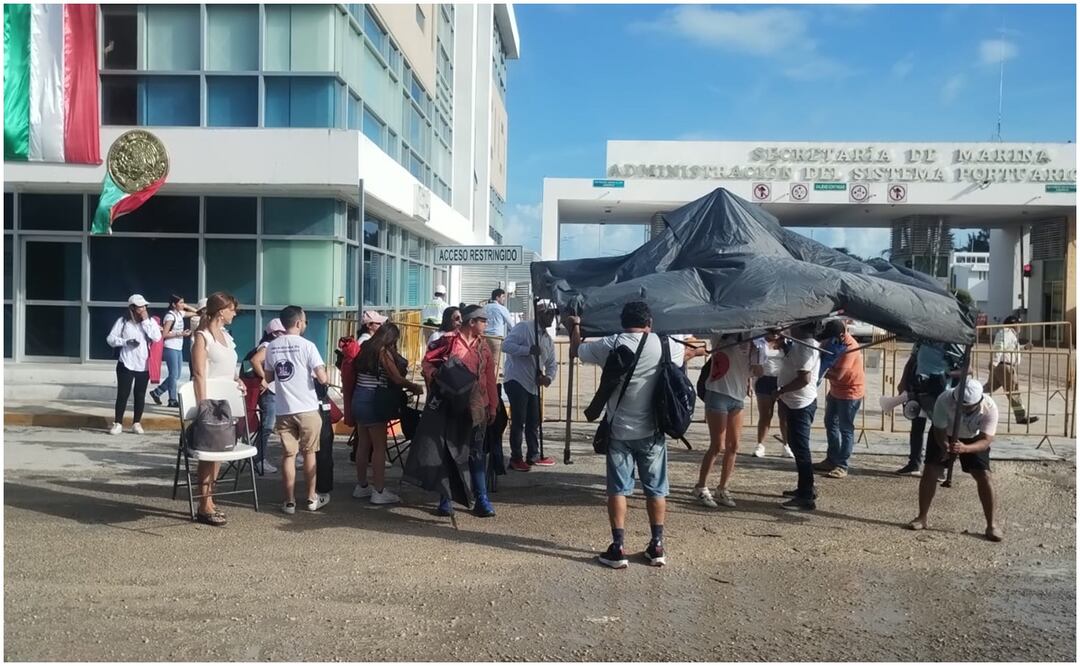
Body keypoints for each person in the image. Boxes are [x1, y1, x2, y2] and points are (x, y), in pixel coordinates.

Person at [567, 301, 685, 569]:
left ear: (622, 321)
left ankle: (618, 547)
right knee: (655, 489)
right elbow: (691, 351)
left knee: (618, 489)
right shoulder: (665, 345)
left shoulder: (610, 342)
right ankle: (657, 545)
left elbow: (576, 350)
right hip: (653, 431)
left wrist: (575, 325)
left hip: (618, 430)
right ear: (650, 322)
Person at [418, 304, 499, 517]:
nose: (486, 323)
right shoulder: (447, 341)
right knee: (449, 452)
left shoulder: (484, 346)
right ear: (471, 322)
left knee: (476, 454)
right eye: (483, 320)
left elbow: (490, 376)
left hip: (477, 406)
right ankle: (446, 499)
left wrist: (493, 405)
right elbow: (427, 364)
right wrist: (439, 376)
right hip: (451, 405)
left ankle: (482, 499)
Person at [907, 378, 1003, 542]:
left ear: (977, 402)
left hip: (974, 439)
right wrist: (945, 447)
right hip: (945, 434)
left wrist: (965, 449)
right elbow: (939, 429)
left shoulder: (990, 408)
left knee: (984, 476)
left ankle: (992, 525)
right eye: (960, 406)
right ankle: (921, 517)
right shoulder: (944, 399)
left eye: (967, 407)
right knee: (930, 470)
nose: (963, 409)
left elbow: (986, 440)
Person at [264, 305, 331, 515]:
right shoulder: (308, 346)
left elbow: (268, 378)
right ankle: (311, 498)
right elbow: (323, 378)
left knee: (288, 455)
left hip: (284, 408)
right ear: (299, 323)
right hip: (308, 407)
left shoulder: (272, 347)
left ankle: (289, 500)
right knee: (310, 452)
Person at [189, 292, 246, 526]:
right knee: (209, 454)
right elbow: (199, 374)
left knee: (220, 453)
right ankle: (204, 504)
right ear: (222, 311)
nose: (234, 313)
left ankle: (210, 499)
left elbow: (230, 366)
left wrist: (237, 380)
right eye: (232, 309)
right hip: (211, 403)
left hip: (227, 402)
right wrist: (204, 406)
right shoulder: (203, 337)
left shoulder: (226, 337)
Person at [351, 323, 424, 505]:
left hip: (358, 397)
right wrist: (414, 387)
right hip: (374, 400)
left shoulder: (365, 347)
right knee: (379, 447)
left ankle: (361, 486)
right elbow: (396, 378)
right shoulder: (382, 351)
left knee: (363, 445)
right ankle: (379, 491)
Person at [692, 333, 751, 508]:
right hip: (718, 393)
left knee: (734, 445)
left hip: (738, 396)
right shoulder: (720, 335)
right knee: (718, 445)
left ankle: (723, 488)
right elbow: (700, 332)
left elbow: (758, 366)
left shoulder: (754, 336)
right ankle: (701, 486)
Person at [500, 301, 558, 471]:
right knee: (519, 421)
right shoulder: (524, 328)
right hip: (517, 380)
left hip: (532, 384)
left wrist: (548, 378)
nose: (552, 318)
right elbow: (506, 345)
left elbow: (552, 363)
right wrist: (527, 350)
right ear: (540, 314)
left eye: (553, 315)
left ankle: (533, 454)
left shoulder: (547, 339)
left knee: (534, 420)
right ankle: (515, 457)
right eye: (549, 314)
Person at [894, 340, 965, 476]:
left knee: (938, 429)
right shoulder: (921, 341)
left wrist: (945, 375)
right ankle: (913, 464)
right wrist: (903, 382)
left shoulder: (951, 344)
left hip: (940, 393)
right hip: (919, 389)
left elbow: (967, 369)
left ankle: (939, 468)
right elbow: (912, 360)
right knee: (916, 428)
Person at [774, 322, 821, 511]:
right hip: (794, 402)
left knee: (801, 450)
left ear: (801, 328)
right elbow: (793, 363)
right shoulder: (801, 344)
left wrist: (781, 391)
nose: (790, 328)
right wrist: (784, 343)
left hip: (800, 404)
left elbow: (804, 378)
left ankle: (806, 495)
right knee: (796, 445)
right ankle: (804, 487)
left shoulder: (806, 347)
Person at [813, 320, 865, 479]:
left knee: (846, 429)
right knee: (830, 423)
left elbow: (839, 375)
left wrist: (816, 372)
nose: (827, 340)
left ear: (841, 335)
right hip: (835, 391)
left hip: (850, 393)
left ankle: (842, 465)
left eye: (830, 338)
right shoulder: (832, 340)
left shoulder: (850, 347)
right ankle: (831, 459)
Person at [105, 294, 163, 436]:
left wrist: (145, 321)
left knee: (140, 394)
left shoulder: (150, 322)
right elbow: (110, 339)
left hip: (143, 364)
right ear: (132, 308)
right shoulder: (123, 321)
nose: (142, 309)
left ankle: (136, 423)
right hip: (126, 362)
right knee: (123, 394)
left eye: (144, 306)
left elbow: (156, 337)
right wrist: (125, 342)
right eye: (139, 307)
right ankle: (118, 423)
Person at [246, 318, 287, 475]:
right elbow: (255, 361)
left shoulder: (271, 345)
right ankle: (258, 459)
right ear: (275, 333)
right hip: (270, 392)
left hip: (273, 391)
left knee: (269, 426)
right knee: (267, 426)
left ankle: (258, 458)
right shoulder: (268, 346)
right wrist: (266, 378)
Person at [984, 315, 1038, 425]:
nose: (1020, 327)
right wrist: (994, 362)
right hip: (1005, 367)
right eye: (1018, 324)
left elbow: (1010, 349)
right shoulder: (1006, 332)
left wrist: (1024, 348)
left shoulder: (1010, 334)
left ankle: (966, 399)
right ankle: (1021, 417)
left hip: (1001, 366)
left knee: (989, 388)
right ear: (1013, 324)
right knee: (1014, 391)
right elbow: (999, 347)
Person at [750, 331, 792, 458]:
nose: (775, 333)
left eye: (778, 330)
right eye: (772, 330)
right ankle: (760, 445)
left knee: (784, 416)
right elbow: (752, 361)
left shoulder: (788, 342)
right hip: (764, 379)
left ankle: (786, 445)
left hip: (782, 380)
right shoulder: (759, 342)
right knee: (765, 415)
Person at [150, 295, 192, 408]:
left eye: (184, 303)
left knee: (177, 375)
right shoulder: (170, 316)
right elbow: (164, 334)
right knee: (173, 374)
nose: (183, 305)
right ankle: (172, 399)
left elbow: (197, 312)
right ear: (174, 304)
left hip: (178, 347)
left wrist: (187, 306)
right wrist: (180, 334)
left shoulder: (180, 314)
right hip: (170, 348)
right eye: (181, 303)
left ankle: (157, 392)